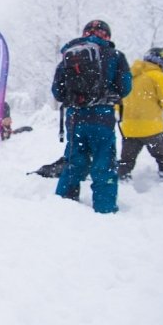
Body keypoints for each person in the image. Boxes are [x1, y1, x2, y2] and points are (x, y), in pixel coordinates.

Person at [51, 19, 131, 213]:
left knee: (74, 160)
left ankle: (62, 206)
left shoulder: (70, 55)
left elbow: (58, 92)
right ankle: (105, 209)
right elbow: (125, 88)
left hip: (75, 117)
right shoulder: (115, 55)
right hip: (102, 116)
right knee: (104, 162)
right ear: (107, 36)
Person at [118, 47, 163, 182]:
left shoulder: (130, 76)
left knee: (126, 160)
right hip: (153, 129)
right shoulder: (157, 75)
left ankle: (122, 179)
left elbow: (118, 105)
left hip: (129, 129)